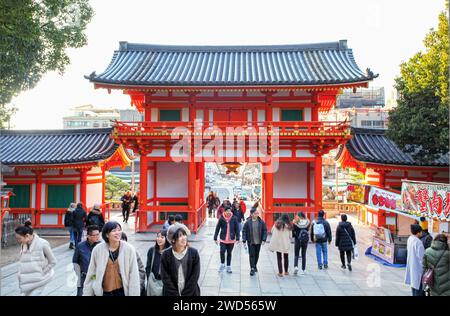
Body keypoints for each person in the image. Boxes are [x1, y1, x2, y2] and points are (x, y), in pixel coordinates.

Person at [83, 221, 140, 296]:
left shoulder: (129, 249)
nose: (117, 232)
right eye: (114, 231)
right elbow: (92, 273)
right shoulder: (98, 250)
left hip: (122, 292)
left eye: (119, 230)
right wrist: (93, 285)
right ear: (107, 234)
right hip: (104, 292)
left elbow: (134, 275)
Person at [15, 221, 57, 296]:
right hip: (27, 280)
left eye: (19, 238)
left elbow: (53, 261)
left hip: (41, 279)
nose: (18, 241)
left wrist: (42, 272)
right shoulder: (23, 244)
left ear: (27, 236)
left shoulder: (43, 244)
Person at [160, 224, 201, 296]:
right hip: (170, 294)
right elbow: (165, 277)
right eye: (180, 236)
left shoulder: (194, 253)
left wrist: (186, 294)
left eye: (184, 235)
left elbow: (195, 276)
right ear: (173, 240)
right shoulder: (165, 255)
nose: (184, 238)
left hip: (191, 293)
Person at [73, 225, 101, 296]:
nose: (98, 237)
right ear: (88, 236)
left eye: (98, 234)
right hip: (84, 276)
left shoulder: (101, 246)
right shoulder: (80, 246)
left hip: (97, 277)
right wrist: (79, 274)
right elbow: (75, 261)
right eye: (95, 235)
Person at [242, 207, 267, 276]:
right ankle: (252, 268)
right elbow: (244, 231)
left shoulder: (261, 222)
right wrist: (244, 240)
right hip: (251, 242)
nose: (257, 214)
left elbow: (265, 230)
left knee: (257, 255)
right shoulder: (247, 222)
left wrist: (264, 239)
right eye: (255, 213)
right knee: (252, 255)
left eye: (257, 213)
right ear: (251, 214)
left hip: (258, 241)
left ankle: (255, 265)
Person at [214, 207, 240, 273]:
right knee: (222, 251)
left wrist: (238, 238)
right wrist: (215, 237)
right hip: (223, 239)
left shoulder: (234, 218)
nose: (229, 212)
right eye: (227, 211)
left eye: (230, 211)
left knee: (229, 253)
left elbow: (237, 228)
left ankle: (228, 266)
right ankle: (222, 264)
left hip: (231, 239)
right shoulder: (221, 218)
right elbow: (217, 228)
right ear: (224, 211)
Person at [146, 229, 171, 295]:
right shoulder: (152, 250)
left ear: (167, 238)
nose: (159, 239)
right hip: (153, 281)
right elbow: (148, 267)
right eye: (158, 236)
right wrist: (150, 279)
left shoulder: (170, 252)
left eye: (162, 237)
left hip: (166, 283)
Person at [121, 232, 146, 296]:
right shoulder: (109, 254)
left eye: (124, 242)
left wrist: (138, 287)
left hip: (132, 287)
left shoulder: (132, 252)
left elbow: (141, 270)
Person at [405, 224, 425, 296]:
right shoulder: (418, 242)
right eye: (421, 232)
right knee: (419, 289)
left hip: (412, 265)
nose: (422, 233)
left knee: (414, 287)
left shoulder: (410, 239)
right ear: (418, 232)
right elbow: (422, 257)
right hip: (418, 268)